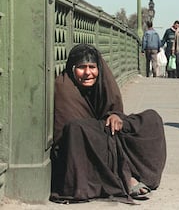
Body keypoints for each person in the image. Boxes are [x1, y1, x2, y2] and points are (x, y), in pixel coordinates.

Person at [51, 44, 166, 204]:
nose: (88, 73)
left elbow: (113, 109)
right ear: (72, 69)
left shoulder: (102, 83)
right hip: (85, 142)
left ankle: (132, 174)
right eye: (81, 68)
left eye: (92, 67)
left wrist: (114, 115)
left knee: (151, 119)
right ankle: (125, 179)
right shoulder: (64, 87)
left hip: (106, 132)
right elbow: (71, 130)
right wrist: (104, 124)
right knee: (79, 130)